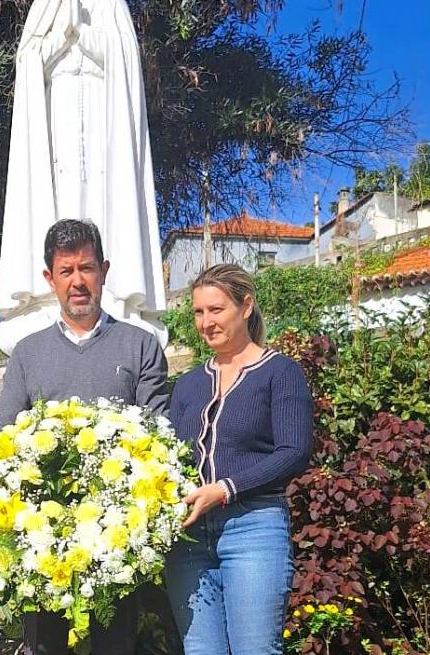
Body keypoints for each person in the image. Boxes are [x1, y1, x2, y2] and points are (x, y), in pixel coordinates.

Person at [0, 0, 167, 354]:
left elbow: (125, 71)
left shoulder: (114, 8)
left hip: (105, 135)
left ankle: (111, 294)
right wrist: (57, 39)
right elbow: (29, 66)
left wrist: (85, 37)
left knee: (103, 210)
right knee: (57, 208)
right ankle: (49, 298)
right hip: (56, 133)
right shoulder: (42, 8)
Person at [0, 218, 169, 655]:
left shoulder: (141, 344)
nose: (78, 281)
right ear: (49, 279)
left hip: (118, 538)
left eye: (87, 268)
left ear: (104, 271)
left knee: (116, 645)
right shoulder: (27, 353)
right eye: (67, 271)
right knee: (44, 648)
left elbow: (158, 432)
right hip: (42, 540)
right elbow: (4, 436)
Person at [163, 264, 314, 655]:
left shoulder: (280, 373)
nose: (205, 322)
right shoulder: (189, 384)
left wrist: (226, 489)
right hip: (189, 537)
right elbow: (169, 454)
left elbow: (294, 452)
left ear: (245, 306)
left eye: (216, 310)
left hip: (254, 528)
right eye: (198, 312)